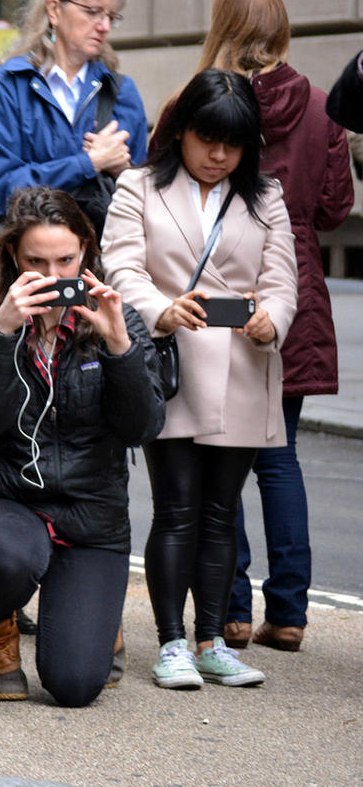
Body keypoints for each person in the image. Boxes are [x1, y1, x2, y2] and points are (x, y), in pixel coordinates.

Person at [101, 69, 297, 690]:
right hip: (172, 367)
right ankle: (171, 643)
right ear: (181, 131)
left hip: (244, 364)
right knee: (176, 510)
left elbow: (283, 279)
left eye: (232, 145)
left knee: (222, 514)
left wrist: (274, 318)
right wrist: (160, 308)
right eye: (207, 140)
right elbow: (121, 265)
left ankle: (212, 639)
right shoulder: (139, 186)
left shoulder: (266, 196)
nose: (218, 156)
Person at [181, 0, 352, 653]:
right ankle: (291, 613)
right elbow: (337, 207)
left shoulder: (209, 98)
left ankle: (232, 608)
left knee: (221, 451)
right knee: (280, 458)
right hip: (299, 292)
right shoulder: (321, 107)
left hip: (224, 283)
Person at [0, 187, 164, 707]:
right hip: (9, 501)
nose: (53, 274)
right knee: (3, 559)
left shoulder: (121, 320)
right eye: (36, 261)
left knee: (74, 686)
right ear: (12, 259)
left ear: (86, 256)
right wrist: (1, 335)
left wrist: (120, 349)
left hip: (93, 517)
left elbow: (142, 428)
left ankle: (96, 613)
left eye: (66, 260)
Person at [0, 0, 147, 245]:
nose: (104, 26)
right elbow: (0, 190)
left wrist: (123, 171)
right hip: (24, 264)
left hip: (99, 265)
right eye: (93, 12)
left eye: (111, 16)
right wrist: (88, 163)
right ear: (54, 10)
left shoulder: (120, 92)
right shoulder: (10, 85)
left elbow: (146, 202)